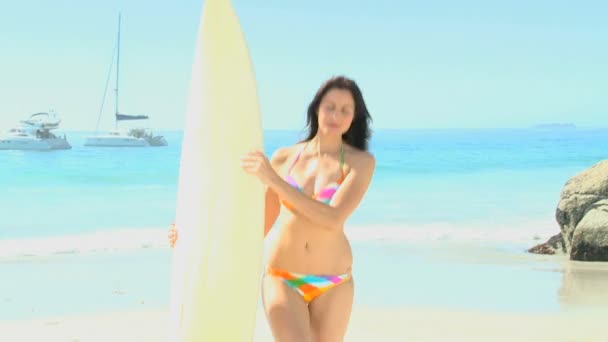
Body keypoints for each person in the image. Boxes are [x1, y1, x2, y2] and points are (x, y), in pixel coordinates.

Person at [168, 75, 375, 341]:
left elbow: (333, 218)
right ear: (316, 108)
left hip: (335, 282)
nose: (336, 115)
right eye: (330, 106)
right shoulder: (284, 158)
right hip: (283, 278)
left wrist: (274, 181)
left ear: (354, 117)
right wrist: (191, 238)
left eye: (346, 110)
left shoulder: (361, 163)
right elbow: (255, 228)